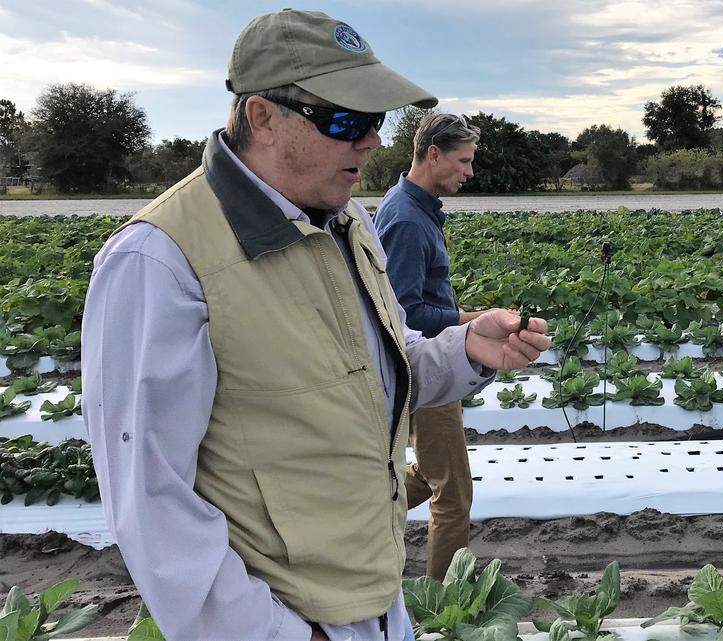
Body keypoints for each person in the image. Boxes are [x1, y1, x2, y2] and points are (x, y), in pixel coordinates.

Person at [80, 9, 550, 641]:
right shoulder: (159, 261)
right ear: (261, 116)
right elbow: (150, 502)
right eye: (344, 120)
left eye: (376, 121)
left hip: (380, 601)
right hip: (286, 622)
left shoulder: (345, 220)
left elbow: (378, 369)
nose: (372, 141)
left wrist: (462, 350)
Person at [373, 113, 486, 581]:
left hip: (433, 364)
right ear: (433, 154)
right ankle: (447, 603)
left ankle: (367, 513)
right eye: (463, 160)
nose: (469, 171)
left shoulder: (415, 208)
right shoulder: (405, 220)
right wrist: (469, 321)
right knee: (454, 495)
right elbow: (402, 312)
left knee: (430, 473)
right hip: (424, 368)